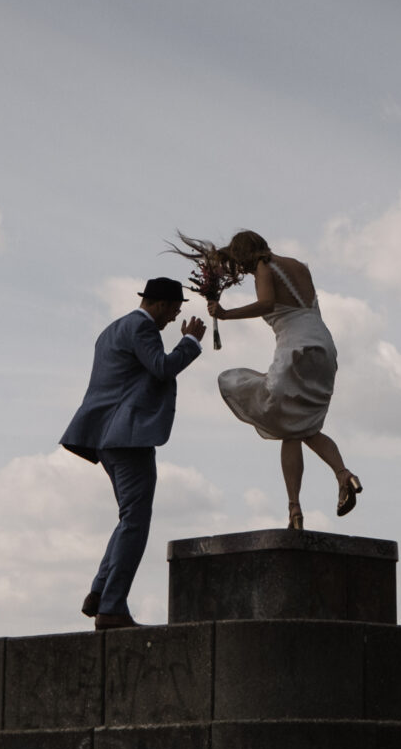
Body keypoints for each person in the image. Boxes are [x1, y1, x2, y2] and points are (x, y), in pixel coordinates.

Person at [59, 277, 207, 629]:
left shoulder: (113, 329)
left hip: (105, 438)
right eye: (174, 309)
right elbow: (161, 367)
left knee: (128, 518)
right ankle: (111, 607)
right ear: (158, 303)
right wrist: (190, 342)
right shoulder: (142, 327)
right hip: (127, 438)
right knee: (137, 522)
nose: (174, 317)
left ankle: (100, 592)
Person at [204, 230, 361, 530]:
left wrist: (225, 314)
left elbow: (266, 303)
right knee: (302, 427)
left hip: (296, 350)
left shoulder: (263, 267)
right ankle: (340, 477)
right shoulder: (299, 265)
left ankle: (295, 511)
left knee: (277, 417)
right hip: (324, 350)